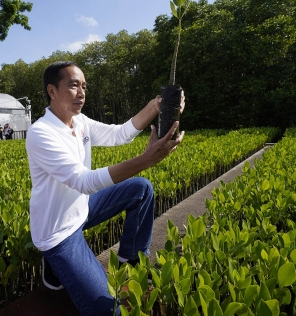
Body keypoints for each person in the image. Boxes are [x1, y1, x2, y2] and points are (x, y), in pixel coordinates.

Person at [26, 61, 184, 316]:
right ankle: (54, 263)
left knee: (140, 189)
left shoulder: (80, 122)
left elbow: (120, 134)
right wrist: (146, 159)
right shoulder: (41, 133)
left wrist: (158, 105)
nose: (82, 92)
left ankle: (130, 262)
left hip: (81, 207)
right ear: (52, 91)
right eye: (74, 85)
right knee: (109, 311)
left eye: (84, 86)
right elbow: (84, 182)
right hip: (59, 232)